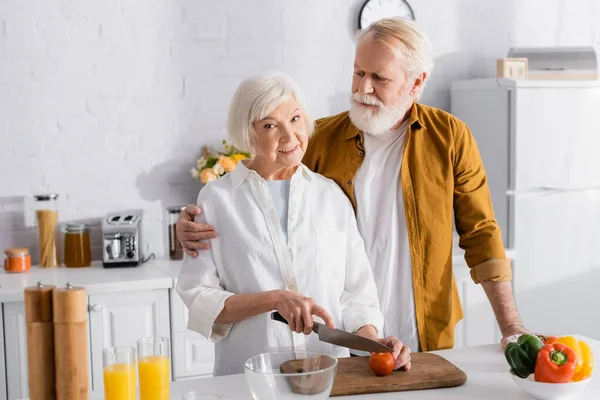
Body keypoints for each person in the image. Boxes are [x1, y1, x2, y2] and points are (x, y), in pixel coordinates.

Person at [176, 17, 530, 353]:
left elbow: (481, 234)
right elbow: (268, 193)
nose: (363, 88)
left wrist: (511, 325)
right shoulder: (317, 138)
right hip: (338, 337)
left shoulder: (450, 138)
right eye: (358, 72)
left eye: (379, 77)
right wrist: (195, 222)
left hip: (423, 330)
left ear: (416, 83)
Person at [176, 72, 411, 376]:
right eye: (270, 125)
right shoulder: (216, 200)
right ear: (249, 133)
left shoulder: (331, 196)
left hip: (329, 379)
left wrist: (374, 343)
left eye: (296, 119)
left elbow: (357, 294)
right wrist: (272, 300)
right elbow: (199, 298)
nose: (290, 136)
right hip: (252, 382)